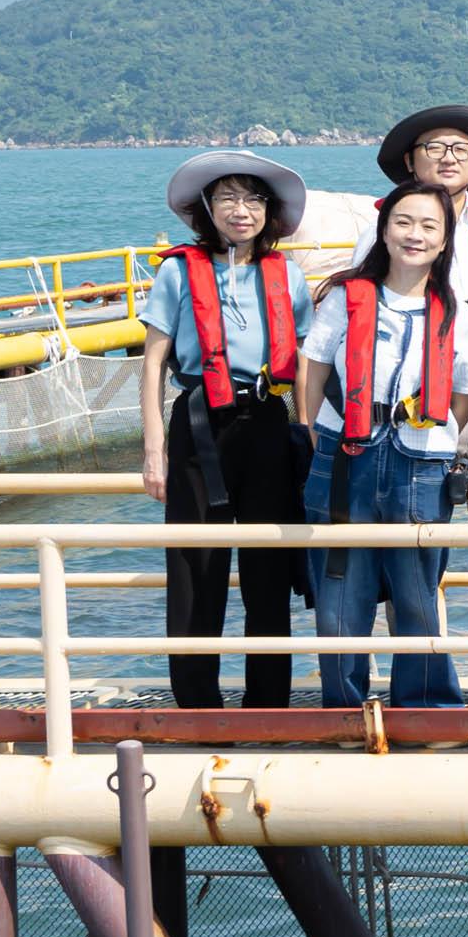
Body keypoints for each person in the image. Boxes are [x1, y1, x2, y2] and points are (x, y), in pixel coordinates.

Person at [295, 181, 468, 708]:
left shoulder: (459, 312)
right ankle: (344, 707)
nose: (414, 235)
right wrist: (316, 431)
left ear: (445, 241)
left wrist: (433, 433)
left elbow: (465, 392)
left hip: (421, 464)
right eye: (403, 222)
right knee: (340, 590)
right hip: (343, 455)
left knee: (417, 590)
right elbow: (312, 367)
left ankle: (426, 708)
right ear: (383, 229)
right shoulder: (345, 297)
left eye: (429, 226)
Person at [139, 151, 313, 710]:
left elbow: (309, 358)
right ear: (206, 208)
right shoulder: (176, 270)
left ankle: (269, 704)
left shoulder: (286, 272)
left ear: (270, 211)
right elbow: (151, 363)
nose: (242, 211)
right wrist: (153, 450)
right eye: (228, 198)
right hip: (197, 423)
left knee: (269, 564)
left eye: (253, 198)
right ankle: (196, 704)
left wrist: (306, 430)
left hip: (267, 420)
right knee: (197, 565)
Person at [374, 103, 468, 694]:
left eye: (461, 148)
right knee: (411, 545)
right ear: (410, 161)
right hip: (409, 410)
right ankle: (422, 676)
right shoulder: (382, 227)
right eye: (435, 147)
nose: (448, 157)